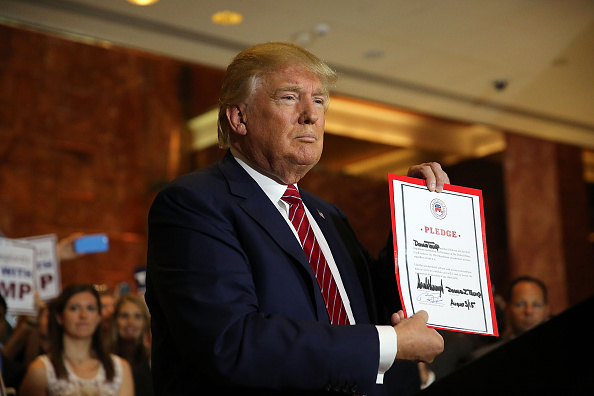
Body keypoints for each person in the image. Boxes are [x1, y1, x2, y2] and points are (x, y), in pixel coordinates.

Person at [145, 41, 447, 396]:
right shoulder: (194, 203)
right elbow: (232, 342)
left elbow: (376, 304)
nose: (311, 115)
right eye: (289, 98)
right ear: (239, 118)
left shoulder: (327, 215)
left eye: (319, 100)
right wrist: (389, 343)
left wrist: (414, 218)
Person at [19, 284, 134, 396]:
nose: (83, 315)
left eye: (90, 308)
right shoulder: (41, 370)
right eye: (74, 308)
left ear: (98, 317)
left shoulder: (119, 368)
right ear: (60, 317)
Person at [465, 276, 550, 360]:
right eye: (520, 304)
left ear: (546, 310)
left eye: (536, 305)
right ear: (508, 309)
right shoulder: (480, 357)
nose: (528, 311)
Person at [111, 295, 153, 396]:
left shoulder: (153, 360)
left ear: (145, 322)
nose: (131, 322)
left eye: (137, 316)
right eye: (124, 316)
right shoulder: (104, 357)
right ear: (115, 320)